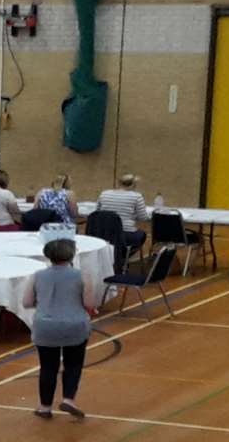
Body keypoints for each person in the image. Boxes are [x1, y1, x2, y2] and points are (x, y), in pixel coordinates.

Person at [23, 237, 97, 419]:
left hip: (45, 326)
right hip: (75, 326)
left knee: (48, 367)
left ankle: (44, 407)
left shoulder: (37, 276)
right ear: (71, 255)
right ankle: (68, 399)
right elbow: (89, 303)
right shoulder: (82, 276)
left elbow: (27, 302)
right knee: (73, 364)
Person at [97, 173, 150, 252]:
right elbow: (143, 217)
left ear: (119, 183)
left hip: (103, 233)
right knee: (142, 235)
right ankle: (124, 256)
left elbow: (97, 213)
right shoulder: (137, 196)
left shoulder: (104, 194)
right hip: (125, 234)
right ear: (133, 185)